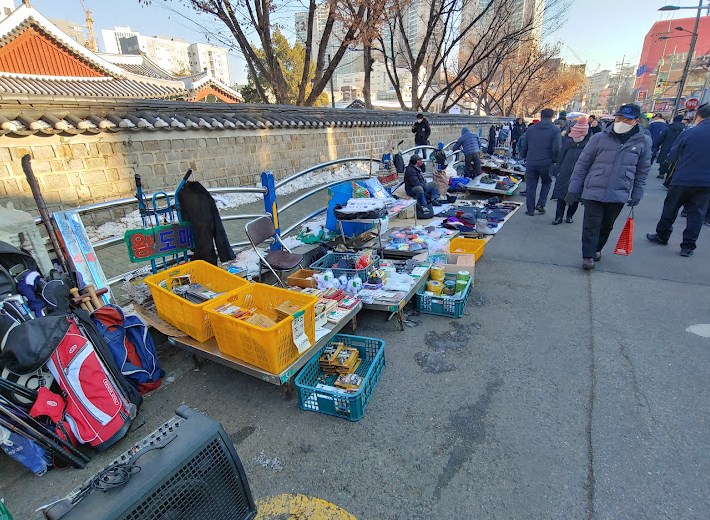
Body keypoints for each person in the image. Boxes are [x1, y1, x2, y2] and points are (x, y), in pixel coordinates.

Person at [566, 103, 651, 270]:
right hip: (594, 188)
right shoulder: (599, 138)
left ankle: (597, 249)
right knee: (591, 224)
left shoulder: (643, 142)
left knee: (607, 225)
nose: (621, 121)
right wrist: (573, 189)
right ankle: (588, 255)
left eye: (627, 119)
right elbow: (582, 164)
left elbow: (642, 171)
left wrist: (637, 193)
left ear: (635, 121)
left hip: (619, 191)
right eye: (619, 118)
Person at [646, 104, 710, 257]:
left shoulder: (690, 132)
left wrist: (668, 164)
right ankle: (687, 247)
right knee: (697, 214)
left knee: (671, 208)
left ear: (698, 117)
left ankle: (662, 235)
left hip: (683, 178)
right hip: (706, 183)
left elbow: (673, 155)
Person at [520, 108, 562, 216]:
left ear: (541, 116)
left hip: (531, 161)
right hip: (547, 162)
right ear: (552, 116)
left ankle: (530, 210)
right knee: (546, 183)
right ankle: (541, 204)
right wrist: (555, 160)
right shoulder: (555, 130)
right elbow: (557, 148)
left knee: (531, 186)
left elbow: (524, 145)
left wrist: (523, 156)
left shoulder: (531, 129)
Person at [551, 115, 591, 225]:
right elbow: (561, 157)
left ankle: (569, 215)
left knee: (575, 198)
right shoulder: (568, 142)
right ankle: (558, 216)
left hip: (580, 175)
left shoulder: (589, 145)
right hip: (565, 172)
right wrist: (557, 170)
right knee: (561, 196)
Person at [655, 114, 685, 180]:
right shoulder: (685, 130)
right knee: (675, 162)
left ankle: (661, 173)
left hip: (666, 147)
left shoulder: (668, 128)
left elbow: (660, 138)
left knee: (664, 159)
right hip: (678, 149)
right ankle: (671, 176)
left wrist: (656, 146)